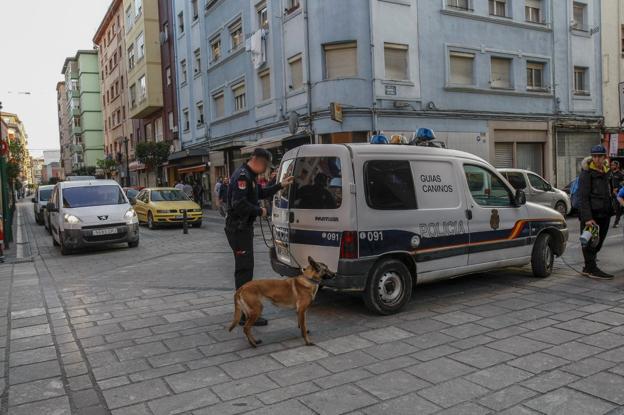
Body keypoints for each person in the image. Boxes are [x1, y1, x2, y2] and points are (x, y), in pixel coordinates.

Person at [225, 148, 294, 326]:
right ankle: (244, 314)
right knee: (243, 271)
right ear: (257, 160)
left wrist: (280, 185)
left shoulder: (250, 175)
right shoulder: (243, 176)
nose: (265, 169)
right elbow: (238, 204)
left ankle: (246, 310)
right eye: (265, 165)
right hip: (238, 229)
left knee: (246, 269)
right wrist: (260, 210)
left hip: (243, 229)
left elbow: (260, 193)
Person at [578, 145, 614, 280]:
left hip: (604, 213)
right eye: (594, 156)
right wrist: (587, 217)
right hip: (591, 215)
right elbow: (584, 197)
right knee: (589, 242)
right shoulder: (586, 173)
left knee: (599, 241)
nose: (597, 159)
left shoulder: (606, 171)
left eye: (600, 156)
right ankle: (591, 267)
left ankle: (588, 267)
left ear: (604, 157)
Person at [611, 160, 624, 228]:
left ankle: (616, 222)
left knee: (618, 208)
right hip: (612, 194)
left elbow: (623, 184)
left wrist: (618, 189)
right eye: (611, 165)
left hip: (619, 194)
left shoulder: (621, 174)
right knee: (615, 208)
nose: (612, 166)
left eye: (613, 165)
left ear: (617, 166)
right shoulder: (611, 174)